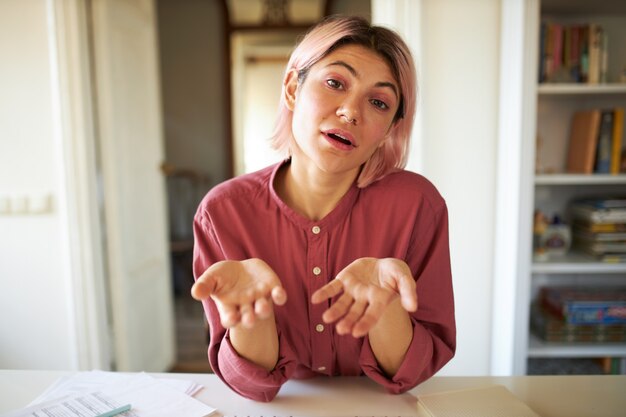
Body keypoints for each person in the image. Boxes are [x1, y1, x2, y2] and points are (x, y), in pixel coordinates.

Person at [191, 15, 455, 402]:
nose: (351, 112)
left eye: (378, 102)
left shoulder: (419, 206)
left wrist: (387, 308)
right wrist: (256, 316)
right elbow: (250, 384)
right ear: (292, 88)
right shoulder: (222, 212)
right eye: (335, 83)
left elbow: (412, 371)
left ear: (388, 131)